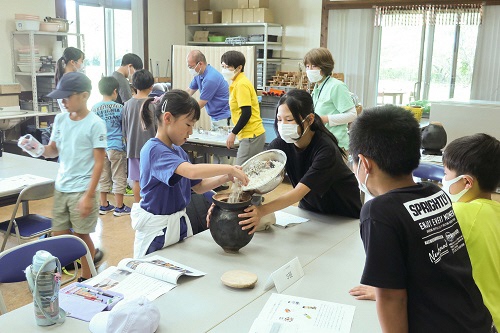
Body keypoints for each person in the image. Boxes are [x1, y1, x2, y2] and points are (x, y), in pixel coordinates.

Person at [347, 105, 492, 332]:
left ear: (364, 163)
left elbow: (392, 298)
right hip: (476, 322)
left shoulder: (378, 213)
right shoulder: (435, 193)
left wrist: (383, 289)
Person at [131, 89, 249, 258]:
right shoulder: (153, 149)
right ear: (168, 118)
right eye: (188, 125)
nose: (190, 132)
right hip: (158, 231)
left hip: (178, 225)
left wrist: (226, 177)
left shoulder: (178, 152)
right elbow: (192, 172)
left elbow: (199, 186)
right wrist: (229, 168)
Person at [237, 89, 362, 234]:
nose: (282, 125)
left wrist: (262, 211)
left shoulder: (325, 149)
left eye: (289, 120)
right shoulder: (280, 145)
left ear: (309, 119)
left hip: (342, 215)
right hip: (311, 210)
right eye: (279, 119)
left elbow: (298, 193)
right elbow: (257, 172)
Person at [42, 72, 107, 281]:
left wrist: (89, 196)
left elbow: (99, 162)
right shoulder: (60, 119)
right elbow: (53, 151)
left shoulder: (95, 123)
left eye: (67, 96)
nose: (63, 101)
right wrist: (37, 149)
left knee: (81, 236)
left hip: (83, 189)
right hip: (62, 187)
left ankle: (87, 278)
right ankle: (89, 254)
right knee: (58, 234)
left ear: (84, 95)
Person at [91, 76, 131, 217]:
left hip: (101, 147)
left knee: (103, 176)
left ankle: (104, 204)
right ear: (115, 91)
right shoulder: (121, 108)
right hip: (116, 146)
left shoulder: (94, 108)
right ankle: (119, 206)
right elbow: (125, 129)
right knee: (119, 176)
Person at [303, 47, 356, 153]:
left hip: (336, 145)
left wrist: (324, 119)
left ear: (324, 66)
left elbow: (352, 115)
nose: (309, 70)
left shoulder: (336, 86)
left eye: (314, 66)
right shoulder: (317, 88)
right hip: (321, 144)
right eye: (307, 66)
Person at [220, 50, 266, 166]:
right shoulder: (237, 82)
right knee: (247, 173)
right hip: (248, 134)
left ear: (239, 68)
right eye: (223, 66)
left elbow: (246, 113)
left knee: (241, 172)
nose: (225, 70)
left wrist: (233, 133)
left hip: (251, 135)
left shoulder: (241, 84)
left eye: (228, 67)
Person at [122, 69, 156, 203]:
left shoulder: (127, 105)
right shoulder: (153, 104)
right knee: (153, 179)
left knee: (137, 180)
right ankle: (151, 206)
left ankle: (138, 208)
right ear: (151, 86)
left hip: (133, 148)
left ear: (134, 86)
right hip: (152, 149)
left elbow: (124, 129)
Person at [186, 50, 231, 130]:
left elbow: (201, 103)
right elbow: (189, 91)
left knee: (221, 141)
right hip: (215, 116)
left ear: (200, 64)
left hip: (223, 118)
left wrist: (184, 114)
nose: (190, 70)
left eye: (191, 67)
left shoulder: (211, 78)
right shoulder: (199, 75)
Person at [54, 47, 85, 113]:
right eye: (81, 60)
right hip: (73, 117)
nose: (82, 63)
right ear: (72, 62)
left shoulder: (63, 79)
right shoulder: (70, 81)